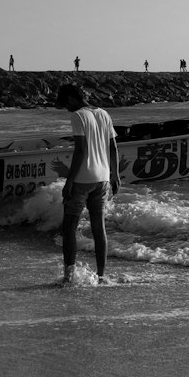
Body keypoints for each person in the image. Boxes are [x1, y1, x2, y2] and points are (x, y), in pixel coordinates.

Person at [56, 83, 120, 286]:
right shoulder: (104, 114)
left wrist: (69, 181)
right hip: (102, 178)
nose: (66, 108)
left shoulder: (78, 116)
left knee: (69, 228)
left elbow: (81, 151)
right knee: (98, 228)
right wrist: (115, 175)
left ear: (71, 98)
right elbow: (113, 147)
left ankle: (69, 277)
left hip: (83, 179)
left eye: (65, 103)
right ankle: (101, 276)